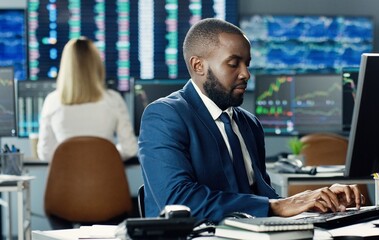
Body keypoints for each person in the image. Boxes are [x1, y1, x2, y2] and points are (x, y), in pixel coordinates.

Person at [138, 18, 364, 223]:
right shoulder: (164, 116)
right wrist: (279, 205)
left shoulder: (249, 124)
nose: (246, 74)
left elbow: (264, 199)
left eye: (247, 63)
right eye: (234, 63)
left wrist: (315, 203)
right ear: (199, 66)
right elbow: (178, 200)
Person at [37, 37, 138, 161]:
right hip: (106, 179)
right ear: (97, 65)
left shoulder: (52, 101)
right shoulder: (113, 100)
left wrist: (73, 157)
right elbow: (130, 149)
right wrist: (106, 154)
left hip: (66, 179)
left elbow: (45, 153)